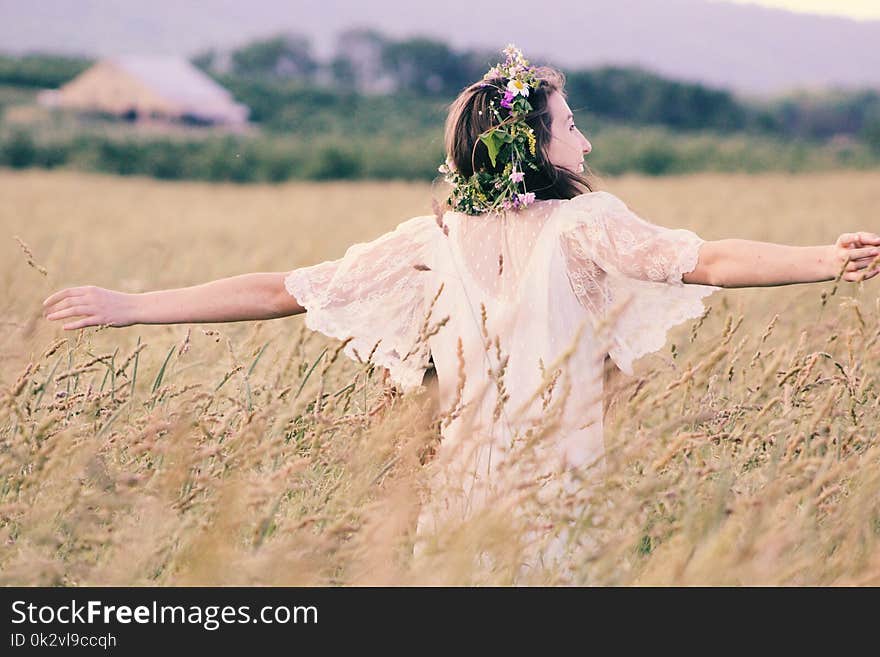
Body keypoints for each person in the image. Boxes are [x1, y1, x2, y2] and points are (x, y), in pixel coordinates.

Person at [42, 45, 880, 578]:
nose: (584, 140)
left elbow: (279, 290)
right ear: (536, 148)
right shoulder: (587, 224)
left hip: (462, 490)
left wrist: (133, 306)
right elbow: (712, 260)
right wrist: (826, 261)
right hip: (562, 485)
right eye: (571, 125)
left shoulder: (431, 237)